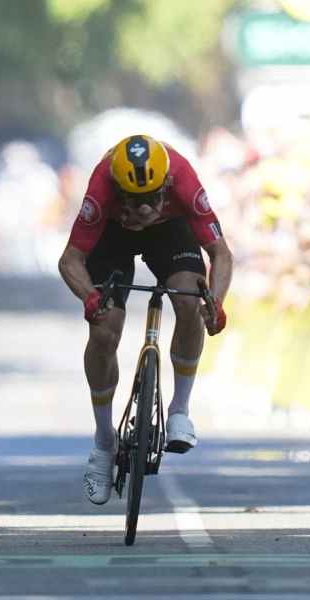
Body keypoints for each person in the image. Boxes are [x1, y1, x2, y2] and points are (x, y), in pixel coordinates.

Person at [58, 134, 233, 505]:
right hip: (112, 236)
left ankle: (180, 411)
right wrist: (90, 298)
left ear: (166, 185)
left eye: (150, 201)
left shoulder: (183, 176)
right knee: (105, 332)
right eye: (132, 202)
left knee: (190, 302)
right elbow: (70, 260)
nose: (142, 211)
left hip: (170, 232)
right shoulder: (101, 187)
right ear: (117, 190)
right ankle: (104, 443)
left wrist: (215, 303)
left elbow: (220, 252)